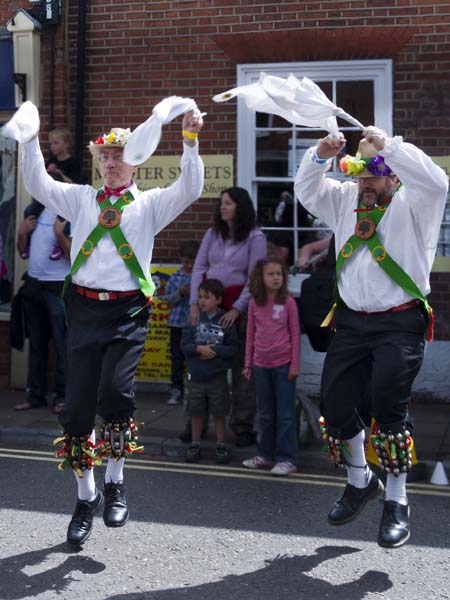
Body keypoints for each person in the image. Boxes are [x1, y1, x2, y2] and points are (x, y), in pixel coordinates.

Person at [4, 101, 204, 547]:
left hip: (129, 310)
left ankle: (115, 481)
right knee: (74, 411)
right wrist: (32, 136)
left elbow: (190, 188)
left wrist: (189, 139)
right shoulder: (81, 199)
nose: (112, 162)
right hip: (84, 309)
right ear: (99, 163)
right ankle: (85, 496)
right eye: (106, 157)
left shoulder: (150, 205)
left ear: (135, 161)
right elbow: (36, 180)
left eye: (120, 155)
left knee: (116, 394)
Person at [295, 126, 448, 548]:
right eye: (359, 173)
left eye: (375, 173)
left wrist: (392, 147)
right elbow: (307, 191)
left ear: (394, 176)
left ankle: (397, 501)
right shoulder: (346, 200)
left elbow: (437, 181)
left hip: (399, 322)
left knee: (387, 403)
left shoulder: (417, 204)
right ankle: (360, 480)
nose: (365, 181)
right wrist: (321, 155)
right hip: (351, 321)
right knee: (336, 405)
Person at [188, 187, 267, 447]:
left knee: (242, 369)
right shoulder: (213, 234)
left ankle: (242, 426)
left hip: (238, 311)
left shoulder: (255, 237)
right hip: (209, 307)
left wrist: (237, 309)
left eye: (228, 203)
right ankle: (196, 423)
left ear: (241, 207)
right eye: (221, 203)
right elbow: (200, 267)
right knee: (204, 365)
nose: (222, 208)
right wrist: (194, 302)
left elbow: (256, 276)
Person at [242, 257, 300, 476]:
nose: (276, 278)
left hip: (283, 365)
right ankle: (265, 455)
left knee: (285, 414)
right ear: (261, 277)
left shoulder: (289, 303)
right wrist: (247, 363)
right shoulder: (255, 303)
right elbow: (250, 335)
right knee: (265, 413)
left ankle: (288, 458)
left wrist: (295, 365)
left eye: (279, 274)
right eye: (271, 274)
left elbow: (295, 335)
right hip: (260, 365)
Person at [14, 198, 71, 415]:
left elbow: (74, 254)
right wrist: (21, 233)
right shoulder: (34, 213)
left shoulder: (68, 215)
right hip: (34, 287)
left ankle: (63, 396)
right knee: (36, 347)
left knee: (62, 345)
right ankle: (36, 396)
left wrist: (59, 235)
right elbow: (22, 252)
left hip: (59, 289)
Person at [181, 278, 238, 464]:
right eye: (199, 297)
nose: (202, 301)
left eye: (207, 297)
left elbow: (232, 349)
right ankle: (195, 443)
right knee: (196, 411)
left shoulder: (225, 321)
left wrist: (214, 351)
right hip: (196, 375)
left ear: (219, 300)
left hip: (217, 377)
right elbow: (184, 345)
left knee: (219, 411)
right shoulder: (193, 319)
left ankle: (221, 444)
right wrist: (199, 350)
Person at [22, 129, 79, 262]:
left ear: (66, 144)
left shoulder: (73, 162)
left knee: (65, 223)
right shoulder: (51, 161)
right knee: (29, 211)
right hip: (48, 197)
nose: (52, 146)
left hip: (65, 200)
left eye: (56, 143)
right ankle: (29, 243)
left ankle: (59, 246)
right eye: (51, 144)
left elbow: (75, 184)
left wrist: (58, 172)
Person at [164, 240, 199, 405]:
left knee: (193, 358)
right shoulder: (175, 277)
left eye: (193, 261)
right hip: (177, 324)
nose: (190, 265)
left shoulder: (200, 276)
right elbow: (167, 299)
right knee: (177, 359)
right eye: (186, 261)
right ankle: (176, 389)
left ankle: (192, 388)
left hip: (194, 324)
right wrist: (180, 292)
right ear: (180, 259)